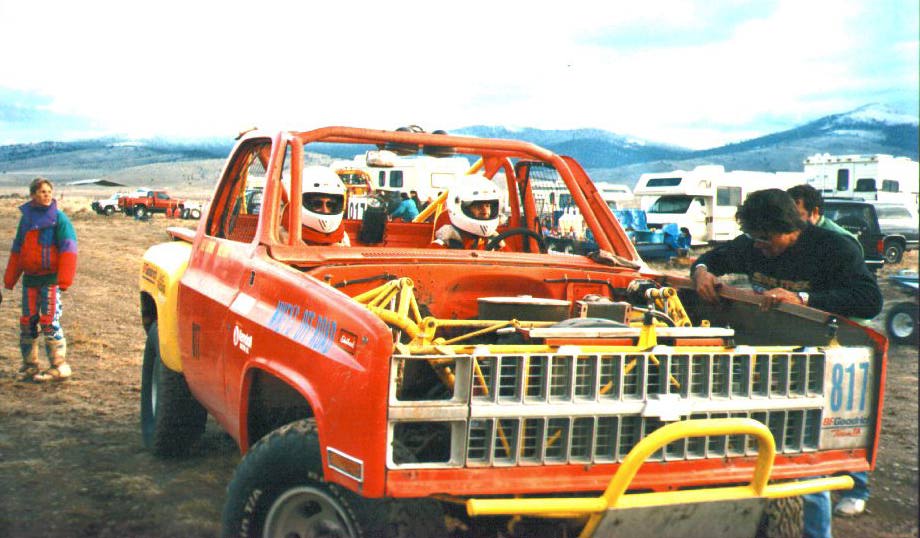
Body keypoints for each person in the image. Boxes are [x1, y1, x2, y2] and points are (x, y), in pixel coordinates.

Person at [691, 189, 882, 538]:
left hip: (817, 360)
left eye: (767, 239)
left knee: (806, 459)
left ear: (790, 228)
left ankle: (818, 530)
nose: (759, 247)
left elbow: (870, 300)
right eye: (754, 238)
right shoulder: (753, 245)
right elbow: (712, 259)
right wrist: (701, 272)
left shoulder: (834, 247)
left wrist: (804, 299)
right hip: (767, 361)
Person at [787, 184, 870, 519]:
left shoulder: (838, 242)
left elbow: (858, 297)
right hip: (816, 327)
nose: (791, 221)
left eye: (797, 214)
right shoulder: (797, 241)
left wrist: (807, 299)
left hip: (847, 333)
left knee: (846, 415)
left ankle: (857, 488)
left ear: (815, 213)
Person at [4, 177, 78, 382]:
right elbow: (18, 249)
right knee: (27, 322)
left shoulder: (59, 219)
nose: (46, 195)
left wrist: (64, 279)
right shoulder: (26, 220)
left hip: (50, 280)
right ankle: (30, 365)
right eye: (42, 192)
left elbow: (69, 248)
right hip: (30, 280)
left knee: (49, 321)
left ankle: (59, 366)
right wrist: (10, 279)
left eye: (49, 191)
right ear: (33, 195)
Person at [432, 175, 504, 250]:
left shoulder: (495, 242)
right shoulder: (441, 245)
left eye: (488, 205)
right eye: (478, 206)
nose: (485, 210)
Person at [297, 166, 350, 246]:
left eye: (330, 204)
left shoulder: (343, 238)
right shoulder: (283, 237)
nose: (325, 210)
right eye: (317, 204)